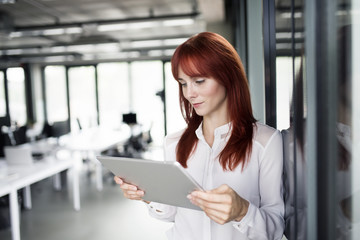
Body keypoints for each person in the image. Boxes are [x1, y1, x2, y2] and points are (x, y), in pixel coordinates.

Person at [114, 32, 284, 239]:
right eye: (183, 83)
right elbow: (172, 213)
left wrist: (242, 211)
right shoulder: (174, 143)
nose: (189, 94)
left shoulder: (265, 142)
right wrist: (147, 194)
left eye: (199, 81)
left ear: (228, 76)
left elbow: (275, 228)